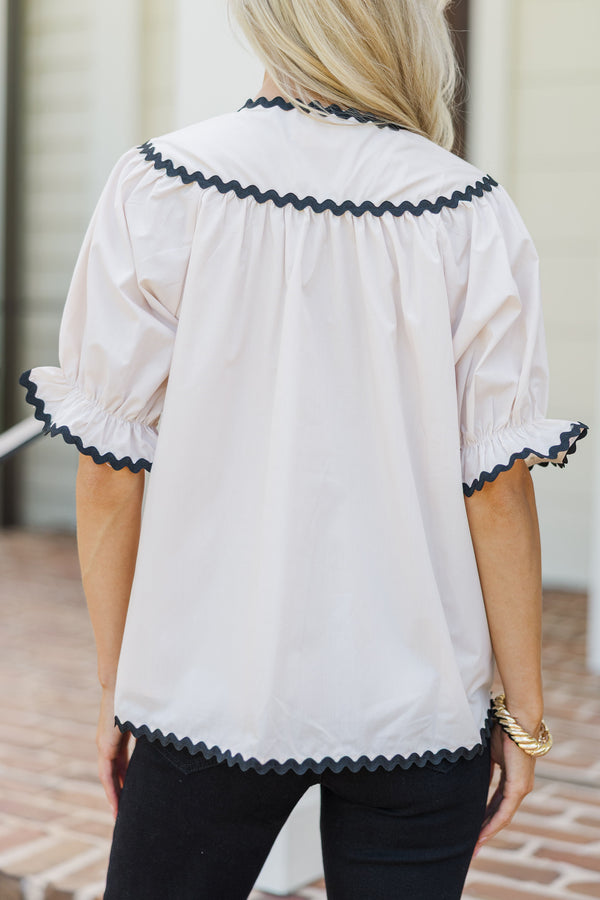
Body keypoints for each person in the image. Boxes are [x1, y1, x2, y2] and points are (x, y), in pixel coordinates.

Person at [19, 1, 587, 897]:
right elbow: (497, 489)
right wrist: (524, 715)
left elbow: (109, 476)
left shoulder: (162, 185)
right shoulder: (468, 209)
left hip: (207, 693)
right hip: (422, 708)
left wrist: (116, 686)